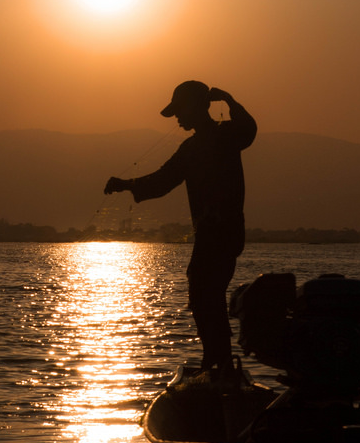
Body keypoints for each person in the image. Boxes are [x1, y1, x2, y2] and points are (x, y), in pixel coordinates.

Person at [104, 81, 257, 374]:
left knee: (205, 295)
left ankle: (219, 363)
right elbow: (162, 181)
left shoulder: (225, 137)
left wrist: (229, 100)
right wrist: (125, 185)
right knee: (205, 295)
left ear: (195, 108)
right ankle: (216, 361)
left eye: (179, 111)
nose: (177, 118)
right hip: (218, 235)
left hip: (220, 234)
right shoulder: (193, 148)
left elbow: (248, 128)